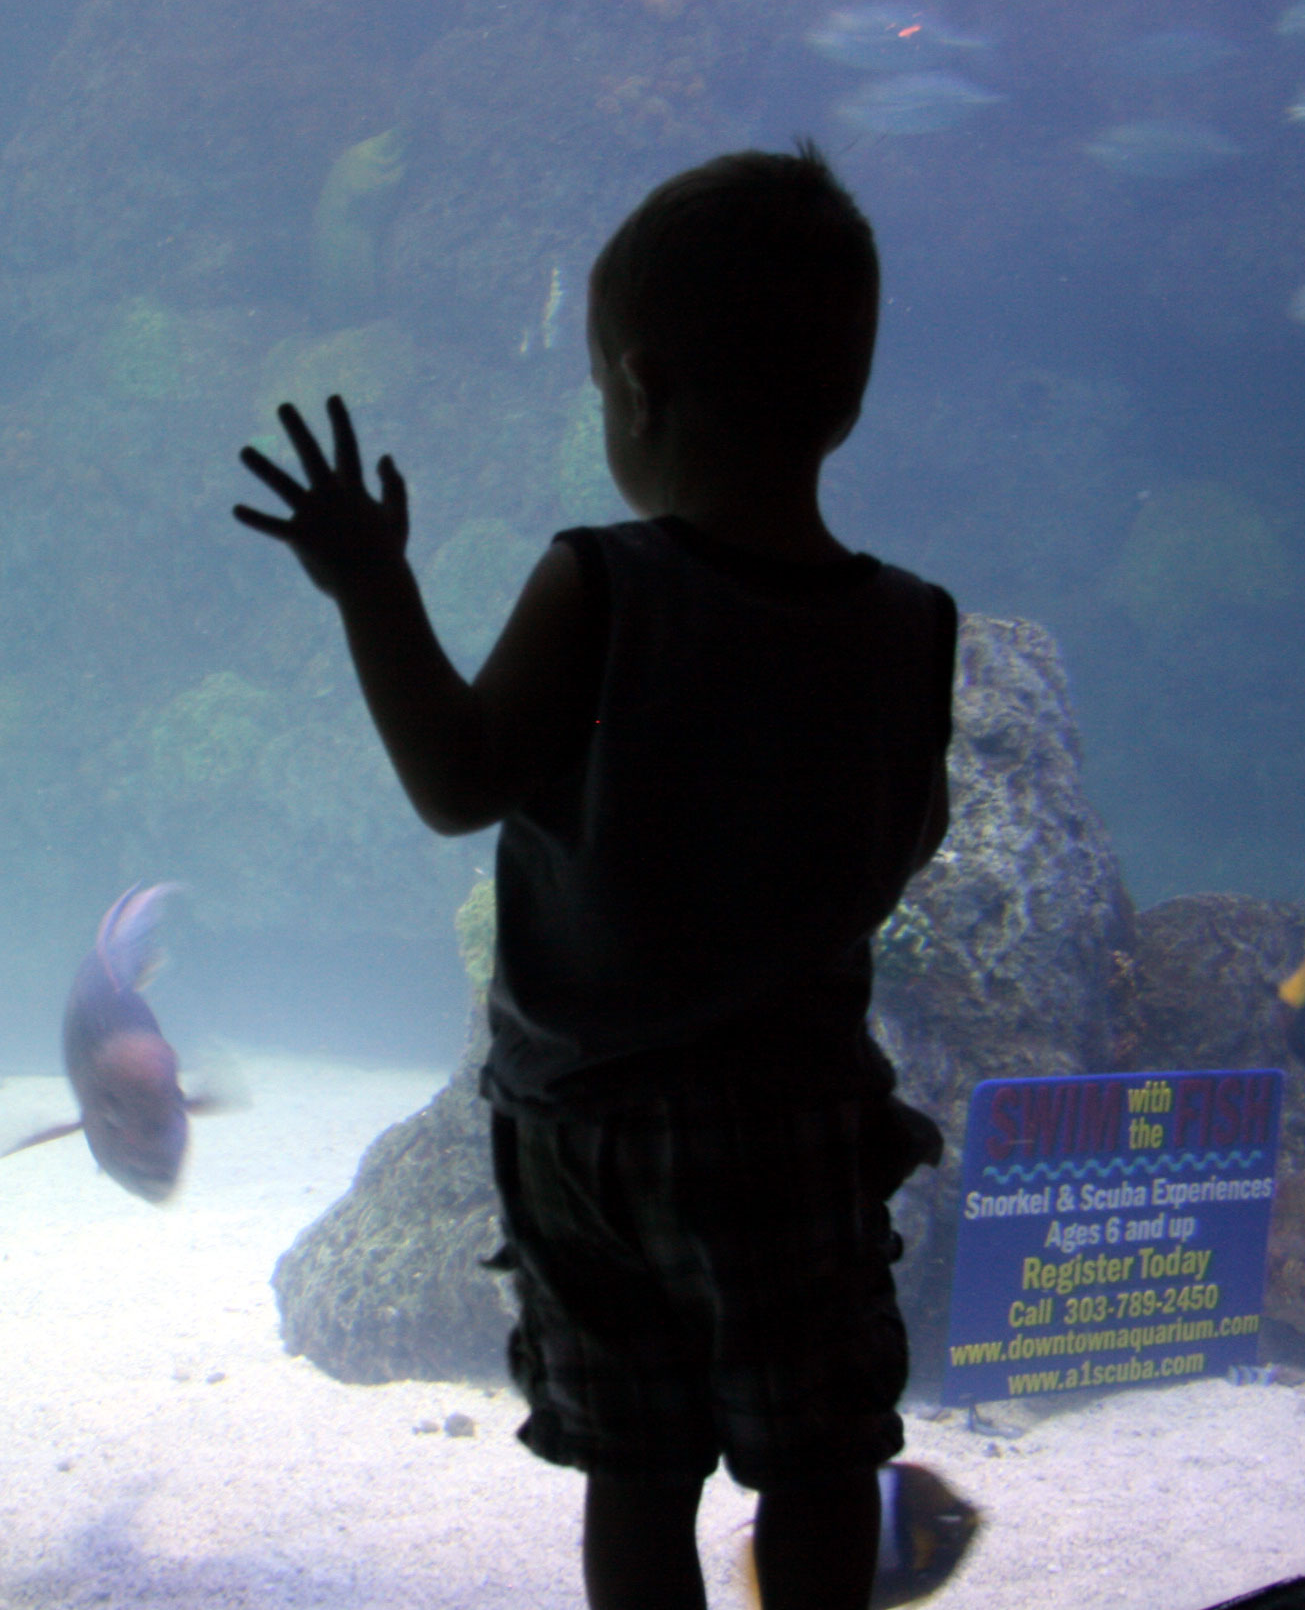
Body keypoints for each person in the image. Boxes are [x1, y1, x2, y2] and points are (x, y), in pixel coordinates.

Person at [234, 142, 960, 1610]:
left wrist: (370, 582)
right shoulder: (910, 622)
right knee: (820, 1461)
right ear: (848, 396)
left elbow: (457, 782)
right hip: (799, 1127)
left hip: (594, 1136)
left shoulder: (604, 583)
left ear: (634, 388)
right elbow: (908, 838)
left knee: (637, 1472)